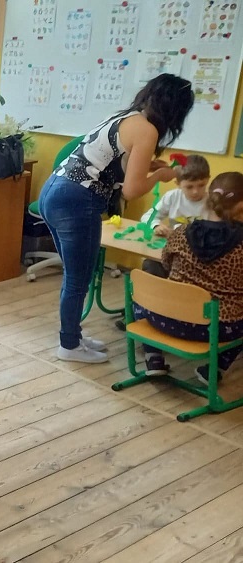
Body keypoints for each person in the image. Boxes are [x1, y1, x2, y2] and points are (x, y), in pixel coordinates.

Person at [39, 73, 193, 364]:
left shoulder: (127, 117)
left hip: (54, 191)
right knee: (77, 280)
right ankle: (69, 345)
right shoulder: (148, 131)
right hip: (77, 201)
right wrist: (161, 175)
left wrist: (149, 165)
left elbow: (110, 161)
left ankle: (73, 336)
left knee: (74, 276)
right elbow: (132, 190)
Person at [135, 172, 243, 383]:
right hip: (218, 330)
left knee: (141, 296)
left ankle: (153, 358)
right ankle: (215, 369)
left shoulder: (181, 233)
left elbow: (166, 264)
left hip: (165, 319)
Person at [139, 154, 210, 278]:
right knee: (151, 265)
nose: (195, 191)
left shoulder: (212, 202)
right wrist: (156, 225)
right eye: (189, 187)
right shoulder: (172, 197)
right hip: (172, 251)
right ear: (178, 183)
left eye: (201, 185)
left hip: (198, 256)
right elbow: (148, 217)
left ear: (208, 180)